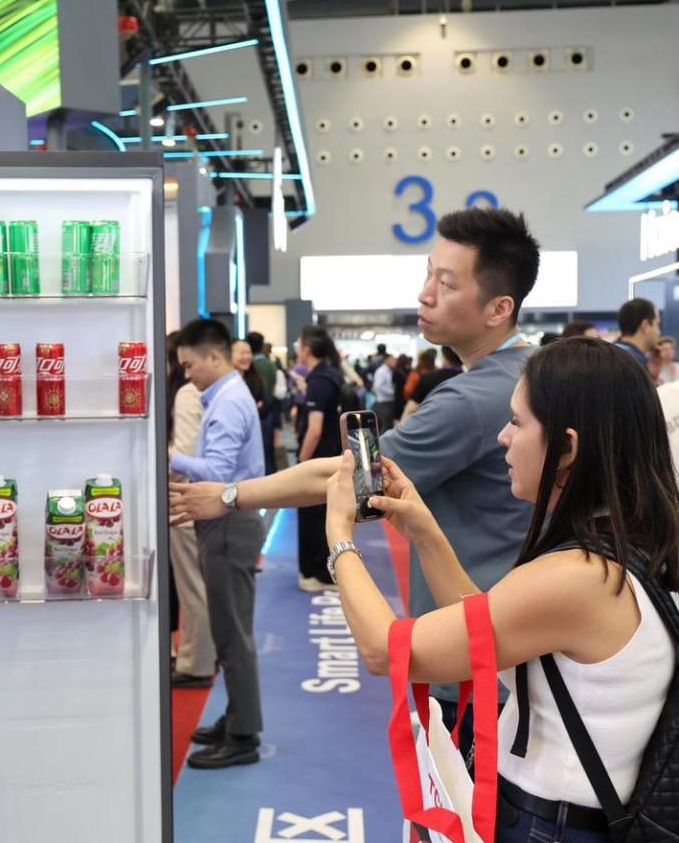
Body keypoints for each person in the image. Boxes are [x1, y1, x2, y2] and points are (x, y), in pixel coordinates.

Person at [323, 336, 678, 843]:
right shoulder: (618, 553)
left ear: (567, 448)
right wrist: (428, 533)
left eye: (518, 423)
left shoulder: (580, 577)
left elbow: (388, 649)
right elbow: (493, 630)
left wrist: (337, 536)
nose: (503, 440)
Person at [172, 206, 540, 746]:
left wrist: (231, 495)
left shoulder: (475, 397)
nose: (425, 294)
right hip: (504, 644)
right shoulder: (528, 373)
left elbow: (349, 472)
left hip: (475, 661)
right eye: (428, 274)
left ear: (498, 308)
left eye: (446, 282)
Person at [170, 318, 266, 769]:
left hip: (229, 523)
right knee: (231, 630)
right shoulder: (227, 396)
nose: (187, 375)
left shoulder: (226, 403)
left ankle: (244, 734)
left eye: (190, 365)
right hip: (231, 522)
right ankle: (237, 716)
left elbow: (218, 472)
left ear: (213, 356)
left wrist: (170, 456)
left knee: (231, 633)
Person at [167, 332, 215, 688]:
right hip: (201, 496)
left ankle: (195, 661)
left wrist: (166, 454)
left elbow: (184, 452)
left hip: (184, 497)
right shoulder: (206, 393)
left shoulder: (186, 394)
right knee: (196, 582)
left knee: (191, 585)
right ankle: (197, 655)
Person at [294, 325, 344, 592]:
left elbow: (314, 429)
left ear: (307, 350)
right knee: (323, 513)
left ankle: (315, 573)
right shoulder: (330, 375)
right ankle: (325, 570)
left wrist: (301, 462)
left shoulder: (319, 380)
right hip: (330, 455)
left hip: (317, 459)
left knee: (312, 515)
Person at [400, 345, 463, 423]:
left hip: (428, 424)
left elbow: (410, 409)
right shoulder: (470, 380)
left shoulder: (427, 378)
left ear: (444, 357)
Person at [247, 331, 277, 475]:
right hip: (269, 411)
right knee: (268, 452)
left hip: (257, 414)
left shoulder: (251, 367)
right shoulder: (270, 365)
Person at [615, 297, 660, 368]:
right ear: (646, 326)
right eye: (657, 325)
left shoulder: (611, 353)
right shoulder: (634, 363)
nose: (659, 332)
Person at [232, 338, 267, 413]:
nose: (246, 357)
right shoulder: (223, 382)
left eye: (249, 353)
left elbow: (265, 408)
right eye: (242, 353)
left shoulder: (257, 381)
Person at [371, 351, 397, 433]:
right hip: (383, 402)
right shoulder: (381, 371)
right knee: (385, 426)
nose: (394, 362)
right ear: (386, 360)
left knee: (388, 425)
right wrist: (392, 392)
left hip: (388, 401)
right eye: (392, 360)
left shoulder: (389, 371)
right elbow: (378, 386)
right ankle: (383, 445)